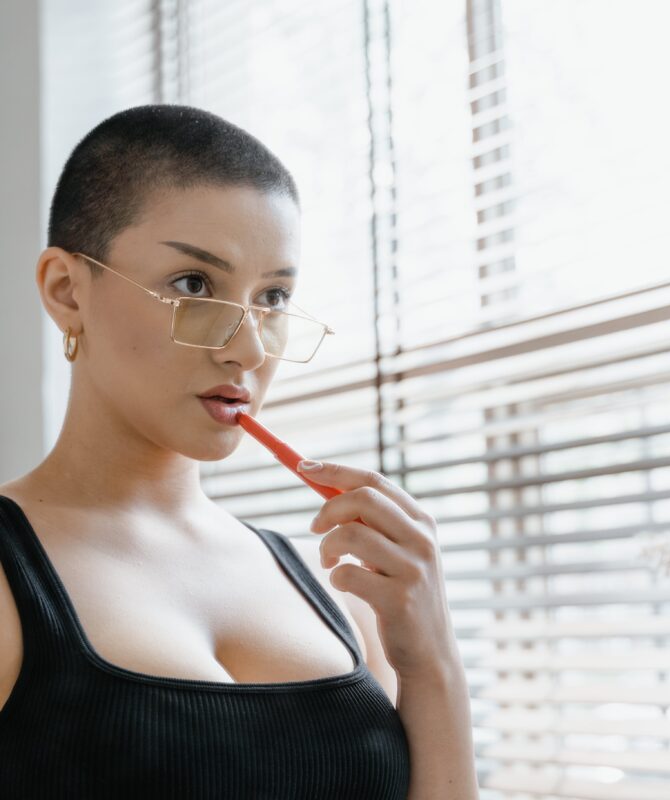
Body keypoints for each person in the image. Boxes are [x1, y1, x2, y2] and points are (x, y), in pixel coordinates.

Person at [0, 104, 479, 799]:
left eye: (273, 297)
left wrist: (433, 664)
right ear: (67, 291)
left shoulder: (338, 593)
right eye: (194, 286)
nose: (249, 348)